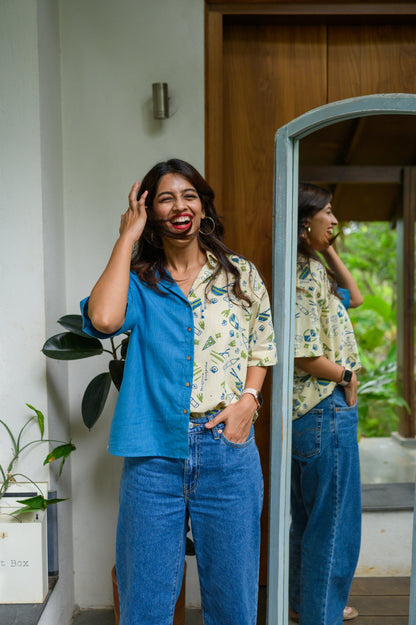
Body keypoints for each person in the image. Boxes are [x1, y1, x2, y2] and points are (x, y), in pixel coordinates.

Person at [80, 158, 277, 625]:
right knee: (145, 601)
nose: (179, 205)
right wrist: (127, 237)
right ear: (151, 211)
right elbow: (103, 320)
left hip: (227, 452)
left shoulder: (240, 276)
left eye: (188, 195)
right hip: (153, 455)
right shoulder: (140, 282)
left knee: (233, 602)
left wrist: (249, 401)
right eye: (166, 198)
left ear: (203, 207)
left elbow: (262, 346)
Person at [289, 183, 363, 625]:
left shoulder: (309, 268)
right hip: (324, 408)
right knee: (334, 524)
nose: (334, 222)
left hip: (310, 414)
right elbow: (303, 351)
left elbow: (352, 297)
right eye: (328, 214)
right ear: (304, 222)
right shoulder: (304, 275)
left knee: (311, 520)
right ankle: (322, 613)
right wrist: (347, 376)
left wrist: (325, 249)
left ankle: (304, 604)